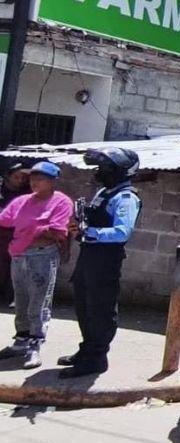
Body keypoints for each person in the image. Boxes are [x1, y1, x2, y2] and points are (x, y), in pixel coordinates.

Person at [60, 147, 141, 378]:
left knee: (101, 310)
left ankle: (96, 358)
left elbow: (122, 232)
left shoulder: (126, 198)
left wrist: (91, 232)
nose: (100, 171)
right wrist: (80, 229)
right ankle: (86, 350)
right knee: (84, 306)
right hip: (89, 256)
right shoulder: (104, 192)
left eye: (106, 168)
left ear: (120, 171)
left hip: (105, 260)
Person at [0, 162, 73, 369]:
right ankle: (21, 341)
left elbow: (58, 231)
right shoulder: (22, 201)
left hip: (41, 257)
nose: (33, 182)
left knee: (38, 303)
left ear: (52, 182)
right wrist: (38, 230)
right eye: (32, 178)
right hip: (19, 255)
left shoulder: (61, 202)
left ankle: (35, 346)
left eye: (39, 179)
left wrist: (35, 232)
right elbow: (4, 220)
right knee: (20, 300)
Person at [0, 163, 32, 308]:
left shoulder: (27, 193)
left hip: (17, 234)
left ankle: (13, 297)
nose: (20, 180)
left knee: (17, 266)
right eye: (16, 177)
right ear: (8, 176)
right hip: (2, 234)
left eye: (23, 177)